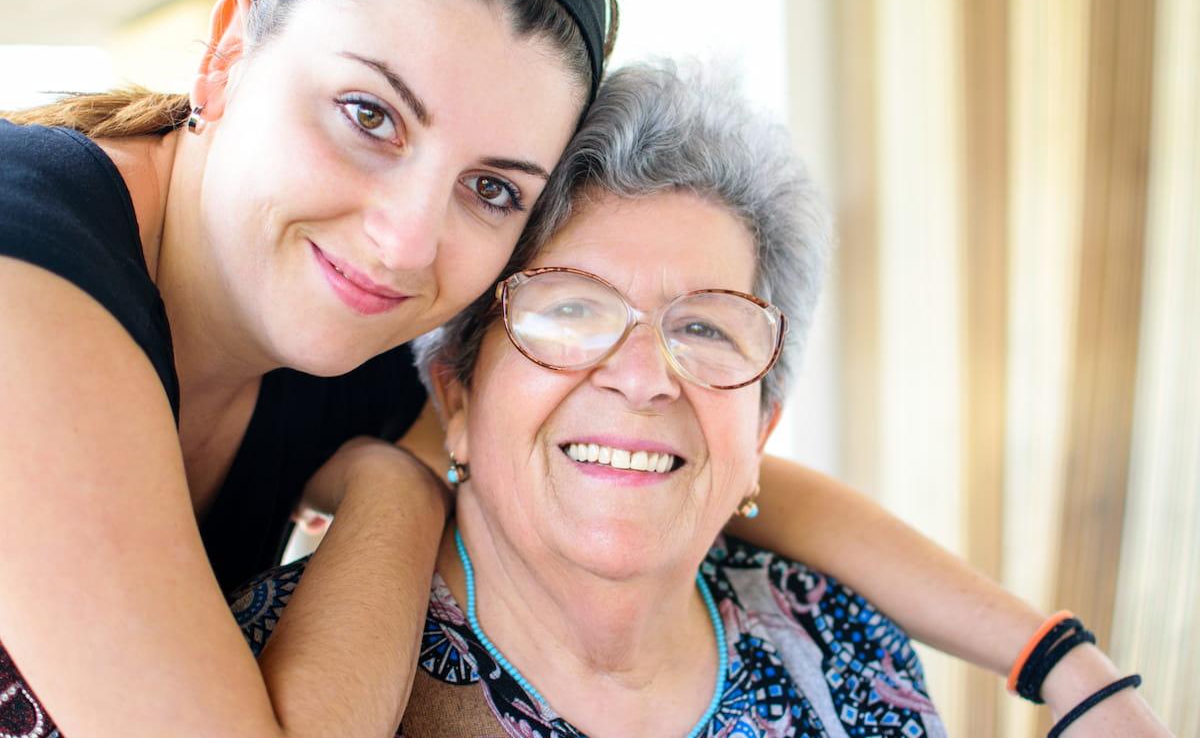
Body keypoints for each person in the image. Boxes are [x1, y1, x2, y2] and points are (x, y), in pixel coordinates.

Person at [234, 61, 1167, 736]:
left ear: (762, 425)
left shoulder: (842, 645)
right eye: (571, 310)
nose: (643, 377)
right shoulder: (253, 673)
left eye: (707, 328)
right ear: (460, 397)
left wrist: (1064, 663)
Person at [0, 0, 619, 736]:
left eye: (492, 189)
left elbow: (646, 438)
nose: (406, 245)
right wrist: (395, 491)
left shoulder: (361, 335)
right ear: (227, 60)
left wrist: (835, 531)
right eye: (370, 116)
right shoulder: (24, 277)